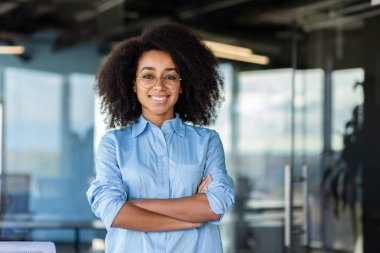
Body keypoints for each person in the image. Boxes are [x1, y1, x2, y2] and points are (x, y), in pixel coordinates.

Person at [86, 23, 235, 253]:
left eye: (171, 77)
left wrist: (136, 205)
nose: (159, 85)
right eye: (148, 75)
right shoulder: (114, 144)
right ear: (133, 84)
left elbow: (214, 207)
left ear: (183, 85)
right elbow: (112, 211)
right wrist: (190, 218)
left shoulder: (207, 142)